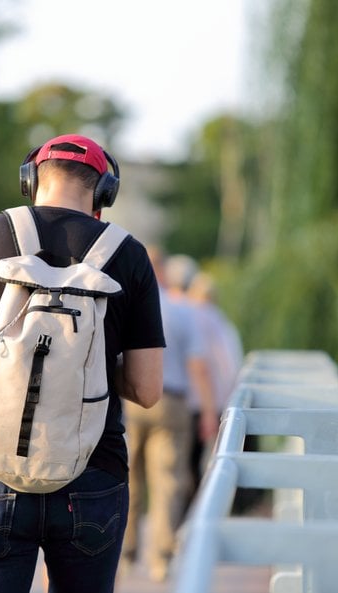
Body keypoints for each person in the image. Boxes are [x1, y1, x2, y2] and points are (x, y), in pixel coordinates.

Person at [0, 133, 164, 593]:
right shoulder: (129, 254)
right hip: (92, 471)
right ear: (104, 192)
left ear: (30, 180)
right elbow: (147, 389)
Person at [120, 248, 218, 582]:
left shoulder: (127, 303)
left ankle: (126, 552)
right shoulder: (183, 310)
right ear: (163, 272)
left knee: (128, 477)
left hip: (130, 399)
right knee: (168, 481)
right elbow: (198, 367)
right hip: (172, 401)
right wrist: (208, 411)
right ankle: (160, 557)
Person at [185, 270, 243, 494]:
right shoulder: (221, 322)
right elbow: (231, 365)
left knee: (188, 460)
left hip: (189, 399)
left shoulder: (188, 316)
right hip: (215, 400)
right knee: (207, 459)